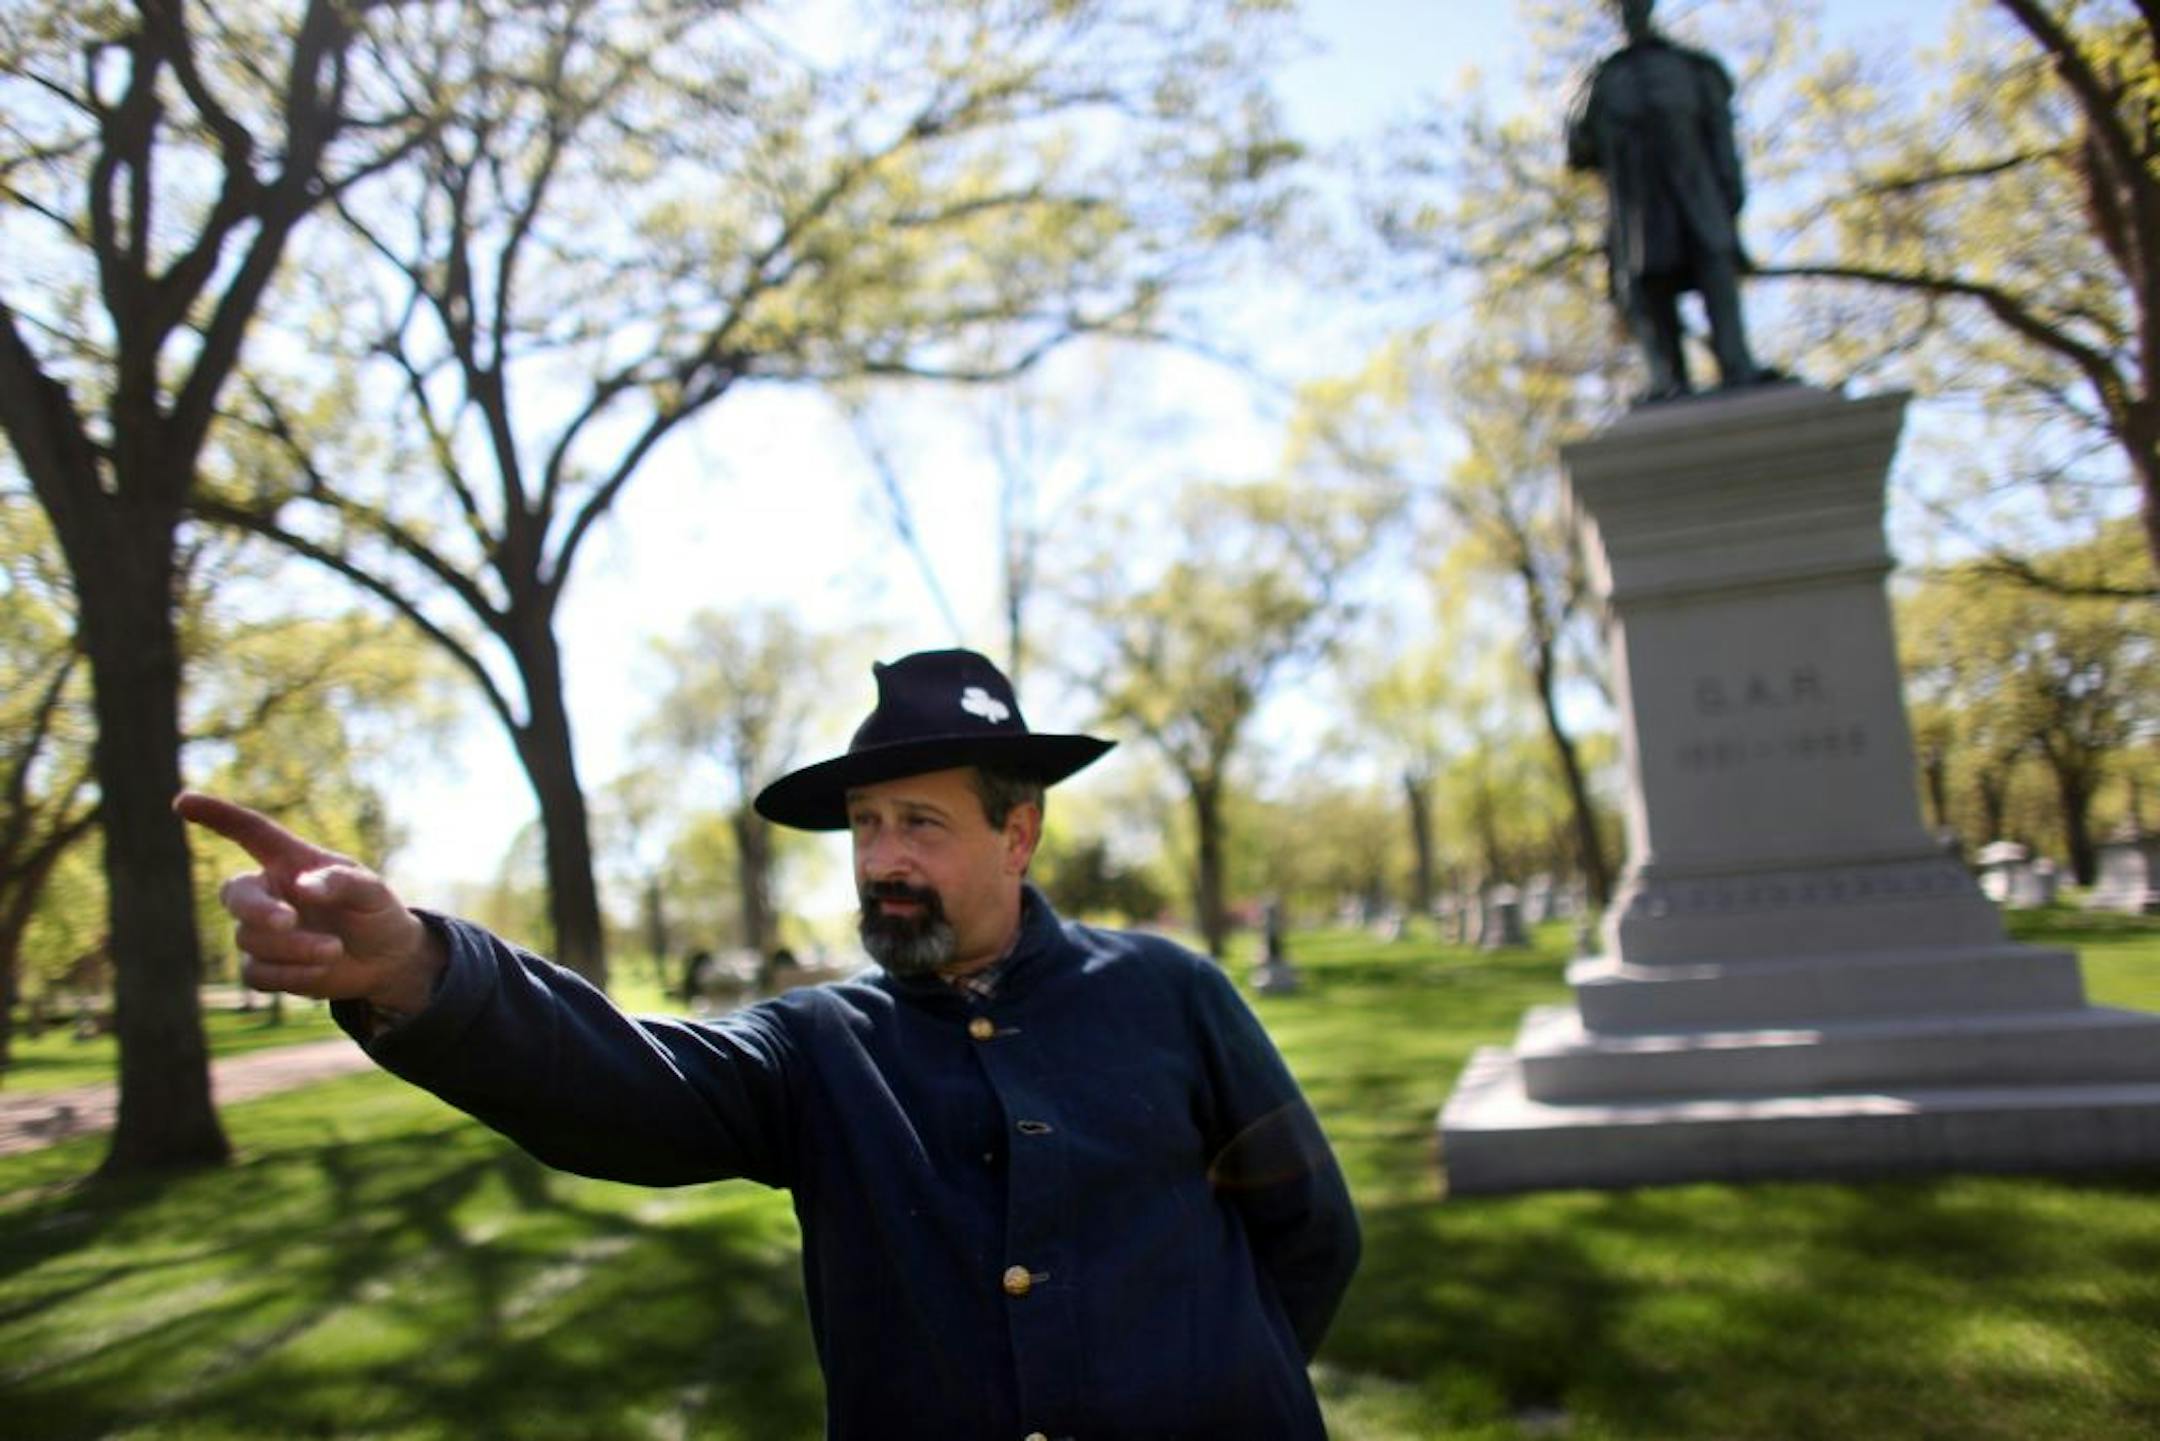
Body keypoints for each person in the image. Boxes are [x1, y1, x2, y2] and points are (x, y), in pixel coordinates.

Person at [177, 646, 1360, 1441]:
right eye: (865, 825)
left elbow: (1309, 1232)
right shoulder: (820, 1045)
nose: (884, 857)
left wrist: (1225, 1388)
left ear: (1020, 832)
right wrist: (422, 972)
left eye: (922, 823)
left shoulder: (1171, 990)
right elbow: (625, 1086)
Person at [1566, 0, 1768, 400]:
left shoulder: (1692, 68)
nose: (1632, 12)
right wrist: (1578, 106)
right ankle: (1668, 379)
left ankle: (1737, 364)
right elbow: (1579, 150)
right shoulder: (1604, 81)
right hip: (1639, 200)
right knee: (1648, 283)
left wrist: (1729, 183)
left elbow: (1719, 130)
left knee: (1714, 265)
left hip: (1694, 183)